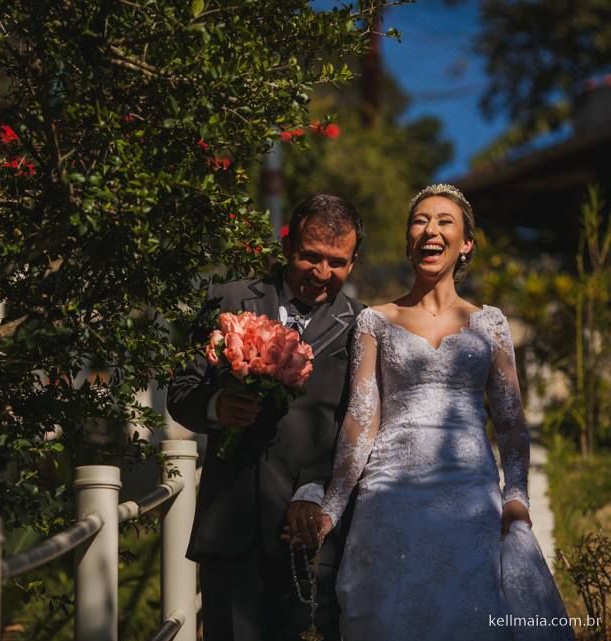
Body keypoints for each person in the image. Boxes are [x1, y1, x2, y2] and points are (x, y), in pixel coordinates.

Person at [297, 184, 571, 640]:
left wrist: (516, 496)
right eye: (421, 220)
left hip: (469, 499)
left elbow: (510, 424)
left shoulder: (491, 324)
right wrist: (332, 508)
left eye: (445, 221)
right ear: (409, 240)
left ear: (465, 244)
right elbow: (361, 421)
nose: (431, 229)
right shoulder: (375, 321)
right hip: (388, 499)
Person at [167, 194, 365, 641]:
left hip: (312, 534)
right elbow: (181, 393)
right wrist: (217, 407)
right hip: (230, 530)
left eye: (337, 262)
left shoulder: (363, 326)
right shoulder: (229, 299)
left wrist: (316, 492)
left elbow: (360, 428)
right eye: (310, 256)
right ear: (287, 246)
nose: (321, 272)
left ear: (353, 263)